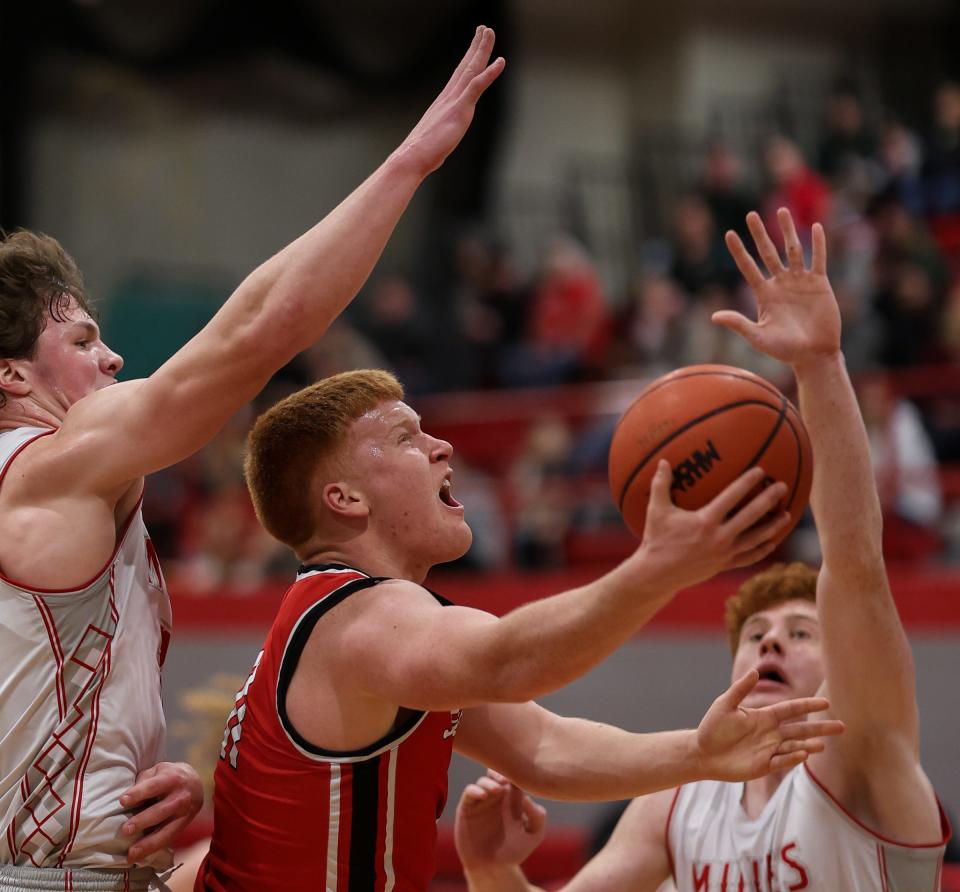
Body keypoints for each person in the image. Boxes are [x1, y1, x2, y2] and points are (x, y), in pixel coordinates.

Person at [0, 24, 507, 891]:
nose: (113, 358)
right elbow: (252, 336)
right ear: (11, 374)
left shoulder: (64, 497)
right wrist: (407, 167)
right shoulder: (44, 462)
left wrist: (130, 782)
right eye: (83, 339)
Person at [453, 208, 951, 891]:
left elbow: (856, 560)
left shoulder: (862, 757)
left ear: (846, 663)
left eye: (801, 633)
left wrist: (819, 363)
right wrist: (489, 867)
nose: (771, 645)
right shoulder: (674, 802)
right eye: (756, 635)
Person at [195, 384, 843, 885]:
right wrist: (658, 569)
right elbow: (509, 661)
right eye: (404, 439)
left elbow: (541, 748)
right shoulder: (359, 619)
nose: (441, 447)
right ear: (346, 499)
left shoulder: (349, 623)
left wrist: (702, 755)